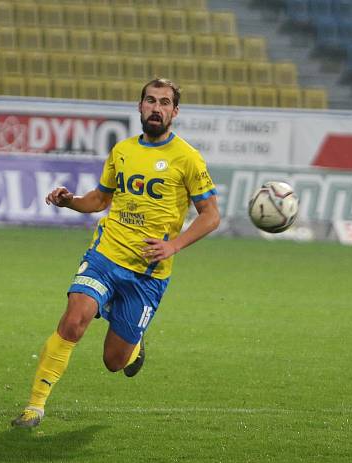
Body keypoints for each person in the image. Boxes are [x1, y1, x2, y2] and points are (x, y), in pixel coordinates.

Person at [11, 78, 220, 428]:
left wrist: (173, 245)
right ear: (140, 107)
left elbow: (211, 215)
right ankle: (34, 407)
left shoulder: (188, 159)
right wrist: (71, 201)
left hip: (148, 273)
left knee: (114, 360)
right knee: (74, 321)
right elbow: (101, 199)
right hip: (105, 256)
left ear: (175, 112)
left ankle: (133, 347)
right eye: (150, 101)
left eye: (164, 103)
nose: (156, 108)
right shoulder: (122, 151)